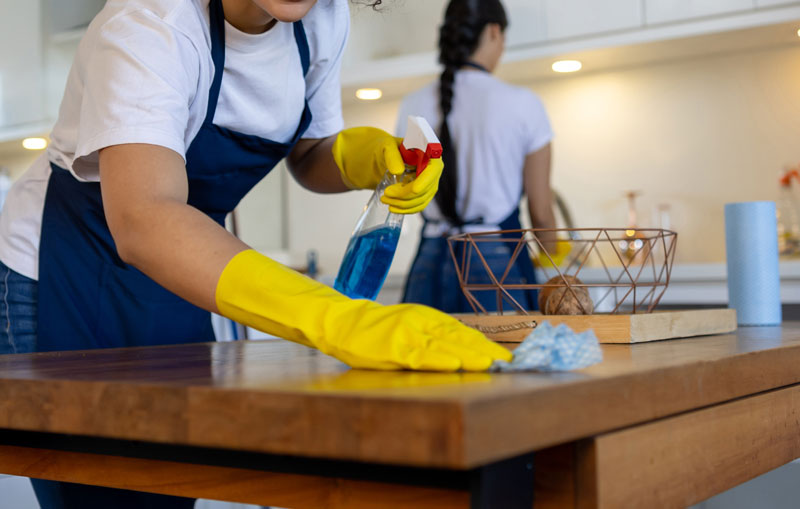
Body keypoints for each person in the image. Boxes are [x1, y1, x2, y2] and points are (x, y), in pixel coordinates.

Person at [0, 0, 512, 506]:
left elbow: (309, 153)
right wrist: (337, 319)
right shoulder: (150, 26)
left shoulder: (320, 20)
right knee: (98, 488)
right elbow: (143, 218)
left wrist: (371, 159)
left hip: (179, 274)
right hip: (67, 271)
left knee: (175, 480)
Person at [396, 0, 557, 313]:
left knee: (425, 356)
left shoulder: (412, 103)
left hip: (431, 254)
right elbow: (541, 210)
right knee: (503, 359)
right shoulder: (524, 103)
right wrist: (554, 265)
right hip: (496, 257)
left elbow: (409, 189)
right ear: (494, 32)